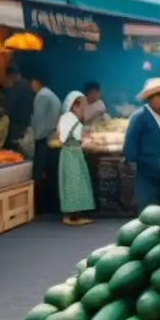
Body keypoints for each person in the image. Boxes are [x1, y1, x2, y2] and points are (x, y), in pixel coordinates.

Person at [123, 78, 160, 212]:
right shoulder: (139, 117)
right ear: (154, 98)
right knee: (149, 217)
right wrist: (153, 161)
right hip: (147, 180)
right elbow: (129, 151)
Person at [57, 92, 95, 226]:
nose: (83, 110)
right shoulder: (72, 120)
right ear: (74, 106)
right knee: (75, 183)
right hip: (73, 154)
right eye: (81, 107)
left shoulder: (65, 118)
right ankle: (72, 216)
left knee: (71, 182)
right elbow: (79, 139)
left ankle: (71, 214)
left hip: (68, 154)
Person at [29, 72, 62, 212]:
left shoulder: (42, 96)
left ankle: (41, 208)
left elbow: (38, 121)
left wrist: (33, 139)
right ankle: (52, 205)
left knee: (40, 174)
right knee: (51, 174)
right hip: (53, 139)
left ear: (36, 81)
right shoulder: (51, 95)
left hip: (43, 139)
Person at [2, 64, 34, 154]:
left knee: (13, 149)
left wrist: (4, 113)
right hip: (25, 123)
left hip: (16, 125)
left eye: (8, 77)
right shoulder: (27, 85)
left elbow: (9, 107)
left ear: (12, 75)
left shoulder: (16, 87)